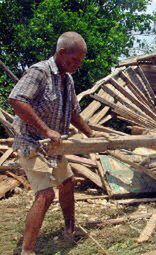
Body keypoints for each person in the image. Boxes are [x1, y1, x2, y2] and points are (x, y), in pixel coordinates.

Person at [8, 32, 101, 255]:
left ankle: (70, 230)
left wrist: (92, 135)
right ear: (61, 53)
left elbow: (75, 115)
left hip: (53, 145)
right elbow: (16, 99)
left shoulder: (67, 79)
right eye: (74, 60)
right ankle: (27, 250)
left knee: (68, 183)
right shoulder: (39, 72)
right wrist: (46, 129)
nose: (77, 65)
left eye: (80, 60)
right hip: (32, 142)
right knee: (46, 194)